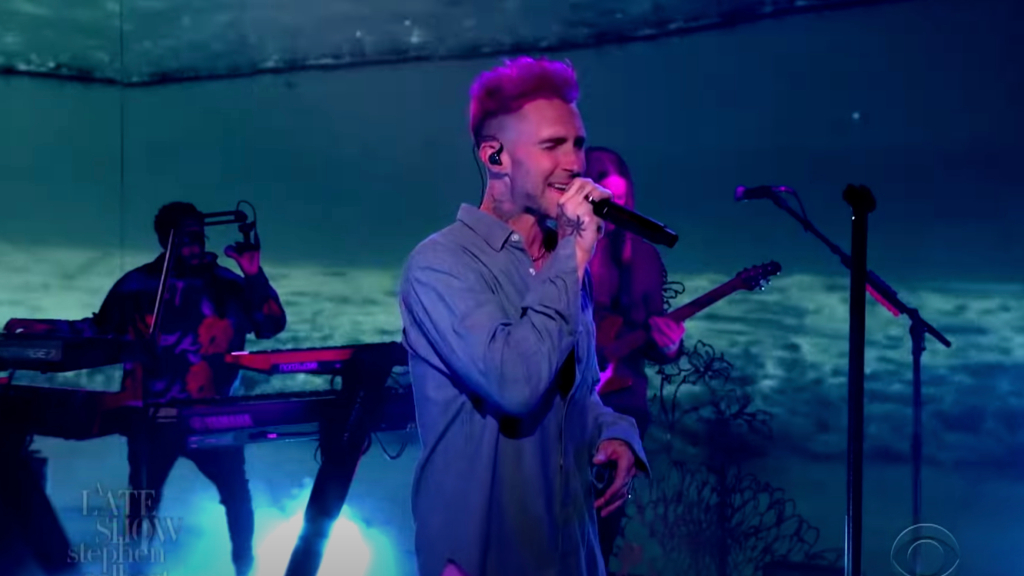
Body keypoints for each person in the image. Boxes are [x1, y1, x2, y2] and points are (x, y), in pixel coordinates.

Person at [398, 56, 649, 576]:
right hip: (484, 557)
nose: (574, 162)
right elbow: (515, 383)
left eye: (577, 143)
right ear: (495, 156)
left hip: (571, 552)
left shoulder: (562, 263)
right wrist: (574, 254)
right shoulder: (440, 264)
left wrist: (617, 432)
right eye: (552, 145)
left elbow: (575, 394)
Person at [4, 201, 287, 576]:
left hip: (211, 415)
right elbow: (97, 330)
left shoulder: (228, 284)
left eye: (198, 236)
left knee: (237, 498)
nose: (193, 245)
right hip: (151, 417)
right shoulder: (136, 286)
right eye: (183, 238)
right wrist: (40, 328)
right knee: (142, 504)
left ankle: (244, 568)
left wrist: (253, 273)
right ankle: (138, 570)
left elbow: (271, 325)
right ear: (164, 240)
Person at [584, 146, 687, 567]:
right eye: (606, 199)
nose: (616, 210)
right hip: (560, 411)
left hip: (622, 408)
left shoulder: (643, 256)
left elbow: (653, 337)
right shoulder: (551, 250)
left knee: (599, 536)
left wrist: (669, 345)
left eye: (623, 200)